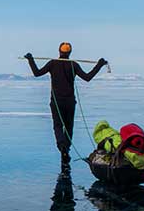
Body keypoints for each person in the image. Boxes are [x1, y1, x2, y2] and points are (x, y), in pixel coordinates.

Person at [25, 43, 108, 172]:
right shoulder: (73, 64)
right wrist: (100, 64)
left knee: (58, 126)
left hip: (56, 103)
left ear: (59, 51)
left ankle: (62, 148)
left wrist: (30, 59)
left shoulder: (53, 63)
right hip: (69, 102)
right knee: (68, 127)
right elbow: (87, 77)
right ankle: (66, 149)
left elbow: (37, 73)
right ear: (70, 52)